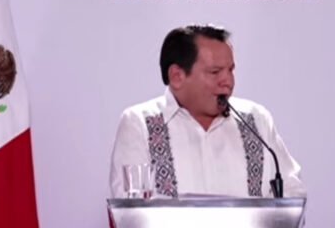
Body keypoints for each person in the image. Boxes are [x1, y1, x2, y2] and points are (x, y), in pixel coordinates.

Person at [109, 25, 305, 199]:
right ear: (177, 76)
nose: (228, 81)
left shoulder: (256, 119)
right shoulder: (140, 124)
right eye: (215, 72)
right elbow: (129, 209)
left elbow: (292, 192)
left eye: (231, 70)